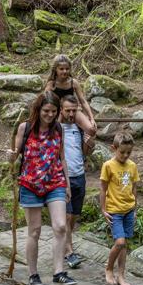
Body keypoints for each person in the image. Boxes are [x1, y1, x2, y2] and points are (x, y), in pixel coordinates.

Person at [8, 91, 77, 285]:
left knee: (61, 226)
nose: (50, 115)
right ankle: (33, 273)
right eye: (46, 110)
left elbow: (61, 157)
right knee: (34, 231)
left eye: (54, 111)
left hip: (55, 181)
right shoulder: (26, 128)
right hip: (30, 184)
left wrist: (68, 183)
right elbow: (16, 156)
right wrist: (11, 157)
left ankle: (59, 272)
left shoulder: (58, 129)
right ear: (38, 110)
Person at [59, 94, 95, 269]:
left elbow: (86, 152)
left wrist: (90, 143)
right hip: (61, 178)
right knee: (66, 215)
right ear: (61, 110)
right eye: (68, 110)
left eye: (74, 110)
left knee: (73, 216)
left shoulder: (79, 128)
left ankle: (66, 243)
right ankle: (69, 252)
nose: (71, 114)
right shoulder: (56, 128)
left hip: (79, 175)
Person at [99, 131, 139, 285]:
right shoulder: (108, 165)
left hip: (128, 209)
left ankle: (121, 274)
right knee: (120, 241)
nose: (125, 155)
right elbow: (102, 189)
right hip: (114, 210)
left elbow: (134, 188)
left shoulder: (132, 166)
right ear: (113, 148)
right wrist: (103, 209)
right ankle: (109, 268)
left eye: (129, 152)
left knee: (125, 244)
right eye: (122, 152)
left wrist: (135, 208)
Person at [44, 54, 98, 139]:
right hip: (57, 112)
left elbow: (83, 101)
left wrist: (91, 118)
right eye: (61, 69)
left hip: (72, 110)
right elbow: (45, 101)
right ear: (56, 70)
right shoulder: (52, 84)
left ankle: (83, 146)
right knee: (55, 134)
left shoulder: (73, 83)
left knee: (91, 129)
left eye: (67, 69)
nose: (65, 71)